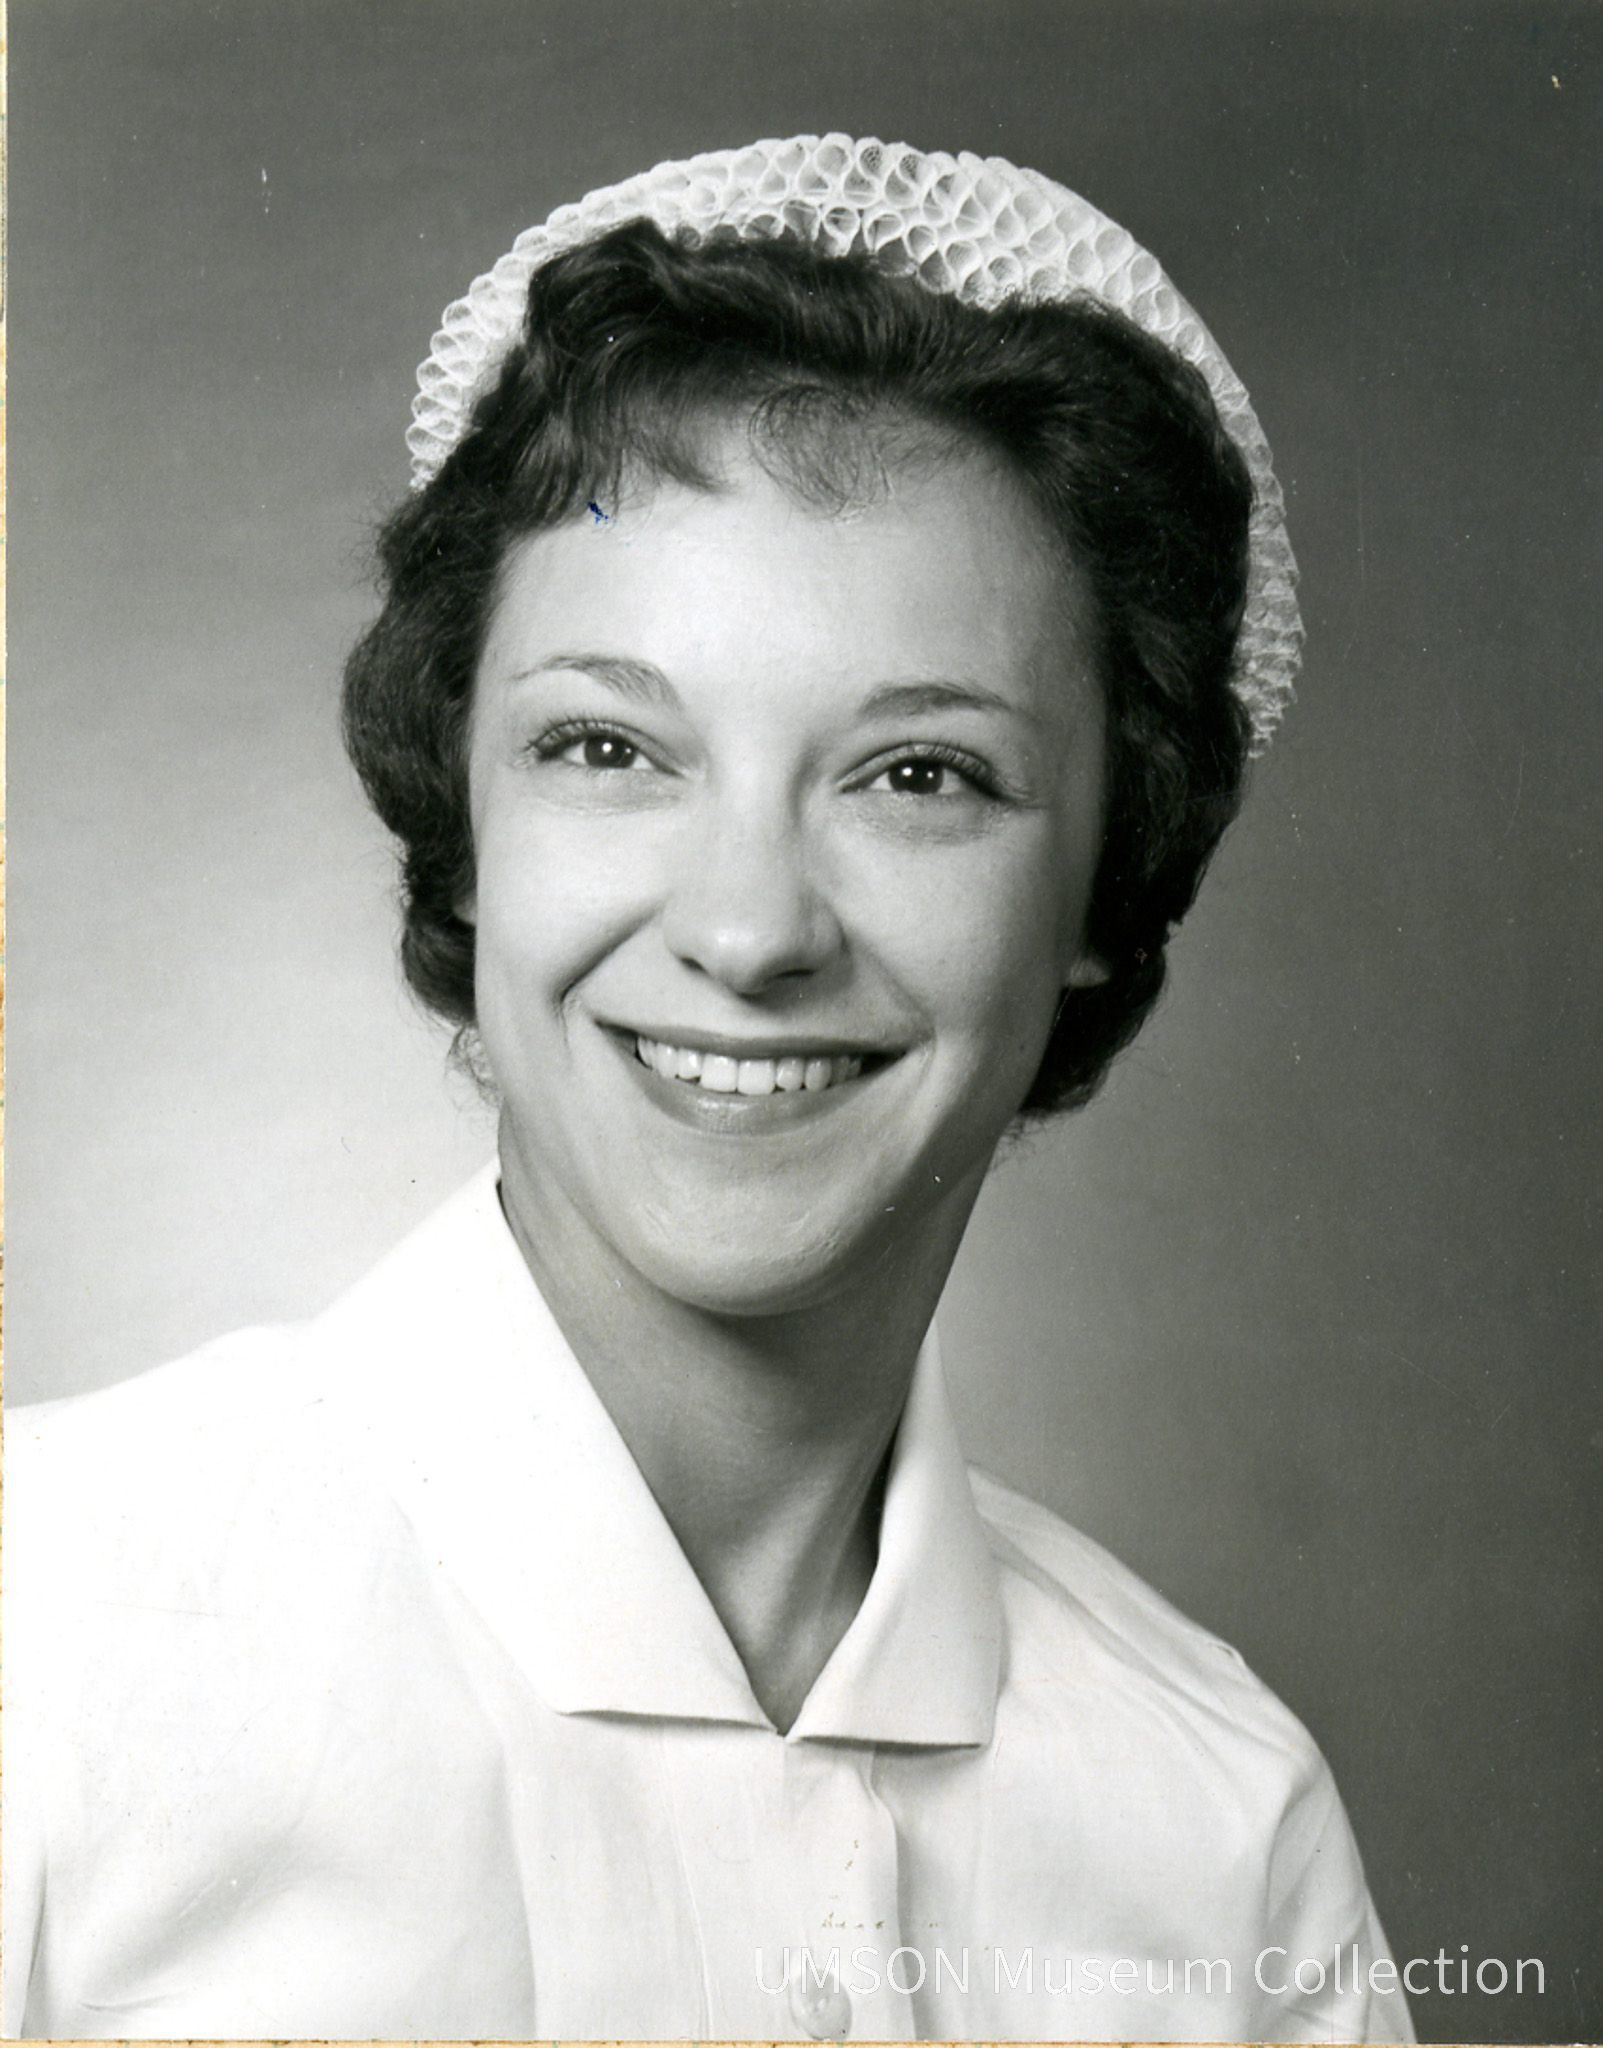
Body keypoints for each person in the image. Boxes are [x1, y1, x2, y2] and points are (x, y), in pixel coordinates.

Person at [2, 136, 1413, 2041]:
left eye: (920, 776)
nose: (750, 933)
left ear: (1104, 885)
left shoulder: (1223, 1834)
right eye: (608, 747)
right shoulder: (45, 1641)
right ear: (467, 823)